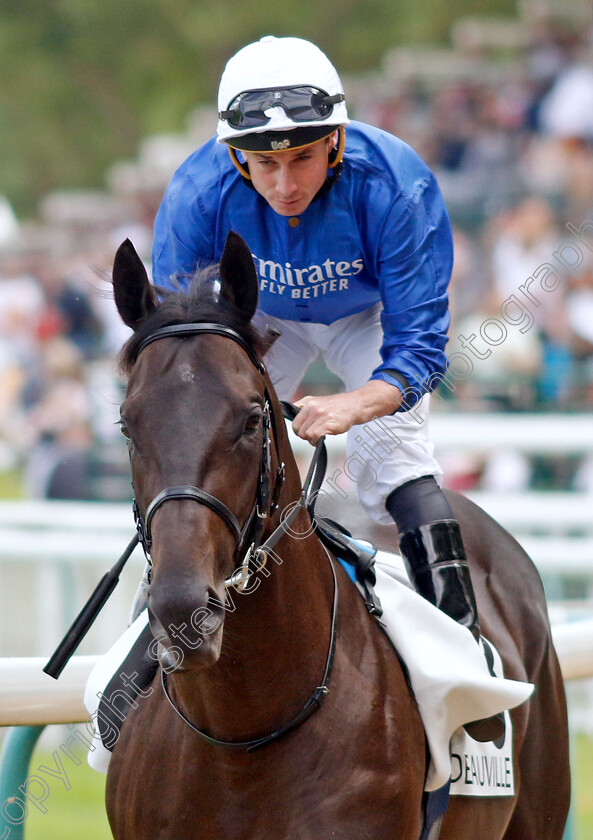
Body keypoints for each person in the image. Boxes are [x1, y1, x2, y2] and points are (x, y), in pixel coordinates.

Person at [152, 35, 502, 741]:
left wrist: (357, 403)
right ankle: (149, 644)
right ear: (234, 156)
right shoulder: (194, 194)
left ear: (336, 142)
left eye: (303, 158)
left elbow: (417, 352)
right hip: (254, 316)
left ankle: (466, 671)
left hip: (367, 317)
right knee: (197, 454)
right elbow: (176, 353)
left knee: (390, 463)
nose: (283, 184)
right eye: (265, 163)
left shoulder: (396, 183)